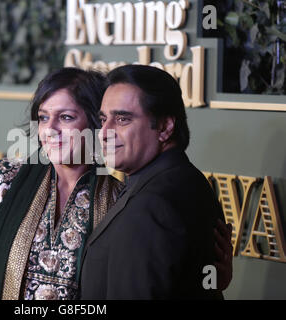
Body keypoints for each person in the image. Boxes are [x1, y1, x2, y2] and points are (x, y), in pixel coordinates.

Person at [0, 67, 233, 300]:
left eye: (65, 117)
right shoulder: (1, 182)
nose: (50, 129)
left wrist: (204, 282)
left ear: (93, 125)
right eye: (43, 117)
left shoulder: (121, 198)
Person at [80, 64, 231, 299]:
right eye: (103, 119)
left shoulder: (152, 206)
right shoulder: (186, 180)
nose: (105, 132)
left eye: (122, 119)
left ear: (164, 127)